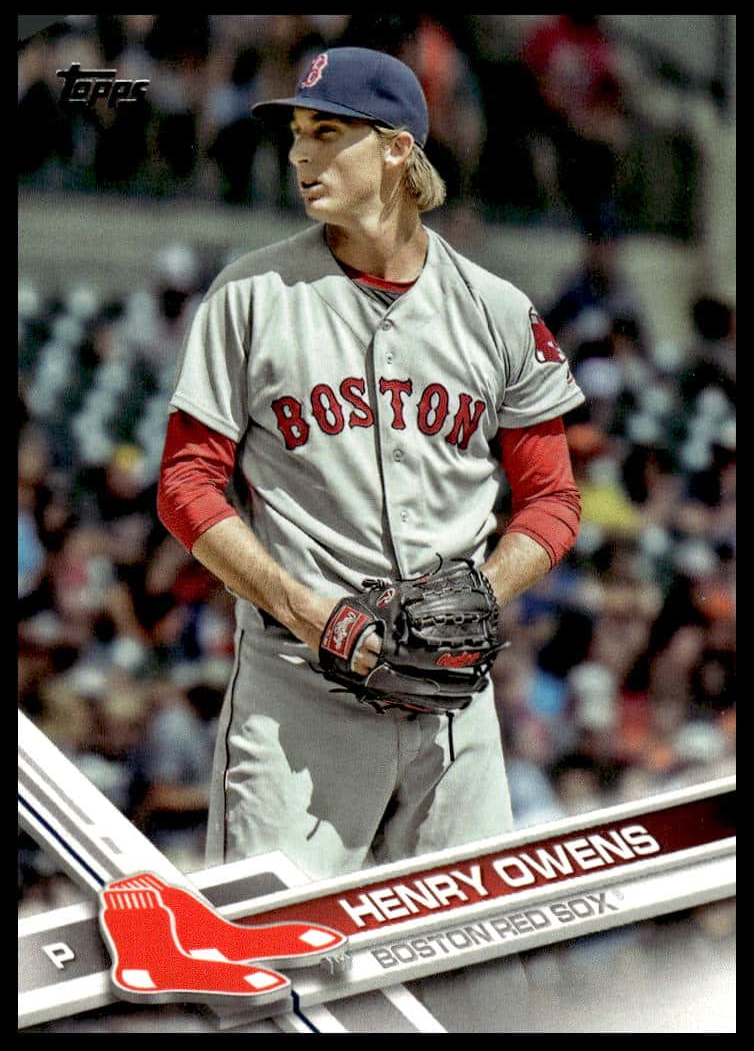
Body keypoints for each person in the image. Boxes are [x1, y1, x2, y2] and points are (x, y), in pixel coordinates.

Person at [157, 46, 584, 881]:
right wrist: (309, 611)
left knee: (475, 957)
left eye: (326, 132)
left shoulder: (498, 310)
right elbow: (185, 485)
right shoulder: (249, 297)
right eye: (296, 134)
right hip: (298, 698)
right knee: (276, 950)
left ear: (396, 148)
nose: (299, 154)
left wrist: (481, 596)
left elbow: (553, 500)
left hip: (452, 708)